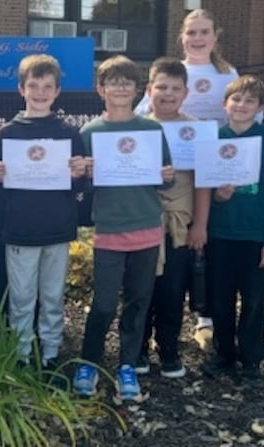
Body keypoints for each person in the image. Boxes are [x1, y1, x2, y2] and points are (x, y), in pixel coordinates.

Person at [136, 8, 250, 351]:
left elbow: (240, 111)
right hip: (163, 184)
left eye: (204, 32)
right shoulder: (172, 72)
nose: (198, 38)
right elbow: (141, 111)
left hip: (205, 167)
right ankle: (147, 340)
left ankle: (203, 319)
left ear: (216, 36)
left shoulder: (227, 72)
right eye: (192, 32)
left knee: (198, 253)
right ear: (182, 37)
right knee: (161, 271)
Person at [72, 55, 174, 402]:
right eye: (112, 82)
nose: (119, 87)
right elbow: (80, 187)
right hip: (109, 229)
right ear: (101, 89)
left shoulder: (151, 130)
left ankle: (127, 365)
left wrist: (166, 176)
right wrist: (81, 171)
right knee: (102, 304)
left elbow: (163, 178)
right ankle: (89, 361)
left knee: (137, 301)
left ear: (137, 89)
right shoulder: (89, 132)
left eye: (126, 82)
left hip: (146, 226)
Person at [0, 54, 87, 370]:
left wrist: (77, 175)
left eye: (48, 87)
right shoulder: (7, 134)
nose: (41, 93)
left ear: (57, 91)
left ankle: (50, 353)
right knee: (21, 299)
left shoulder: (69, 134)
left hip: (57, 227)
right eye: (34, 86)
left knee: (53, 297)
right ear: (21, 89)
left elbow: (76, 189)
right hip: (20, 229)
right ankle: (20, 354)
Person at [200, 75, 264, 387]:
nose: (242, 105)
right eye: (236, 99)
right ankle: (224, 354)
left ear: (260, 107)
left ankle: (251, 359)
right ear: (225, 104)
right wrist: (217, 198)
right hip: (221, 234)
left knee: (253, 300)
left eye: (250, 101)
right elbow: (203, 189)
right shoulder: (213, 138)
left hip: (255, 236)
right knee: (220, 299)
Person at [138, 57, 205, 379]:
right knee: (140, 287)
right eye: (161, 87)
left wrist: (201, 224)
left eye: (175, 88)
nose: (167, 94)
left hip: (179, 222)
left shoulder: (196, 129)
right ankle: (136, 347)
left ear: (185, 93)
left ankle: (168, 348)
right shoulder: (135, 128)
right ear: (149, 90)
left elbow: (204, 181)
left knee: (173, 289)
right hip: (142, 218)